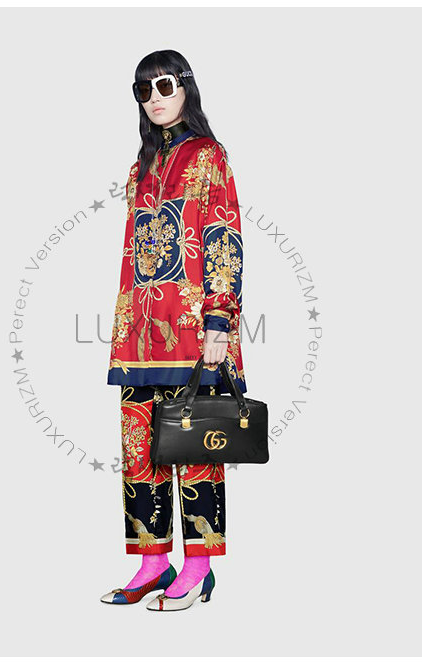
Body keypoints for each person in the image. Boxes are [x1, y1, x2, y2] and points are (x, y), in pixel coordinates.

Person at [101, 49, 246, 611]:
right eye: (144, 90)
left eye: (165, 85)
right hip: (139, 334)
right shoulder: (140, 166)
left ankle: (199, 568)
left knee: (197, 445)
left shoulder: (208, 155)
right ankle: (152, 562)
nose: (155, 98)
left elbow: (223, 236)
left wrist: (219, 321)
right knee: (140, 451)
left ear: (186, 87)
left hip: (192, 330)